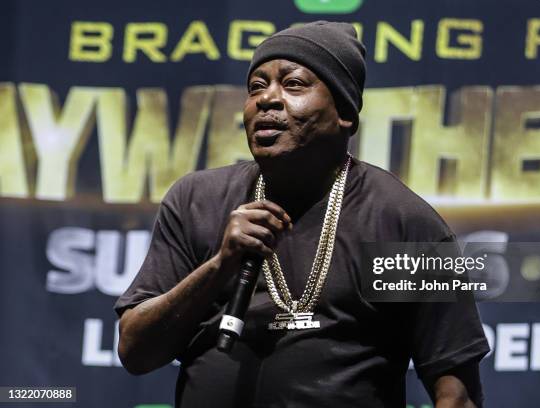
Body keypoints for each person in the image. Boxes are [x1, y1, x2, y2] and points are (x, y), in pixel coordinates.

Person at [115, 21, 490, 408]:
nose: (267, 99)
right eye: (257, 86)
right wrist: (220, 266)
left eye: (293, 84)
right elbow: (135, 351)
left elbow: (457, 392)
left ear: (345, 112)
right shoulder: (197, 201)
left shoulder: (400, 222)